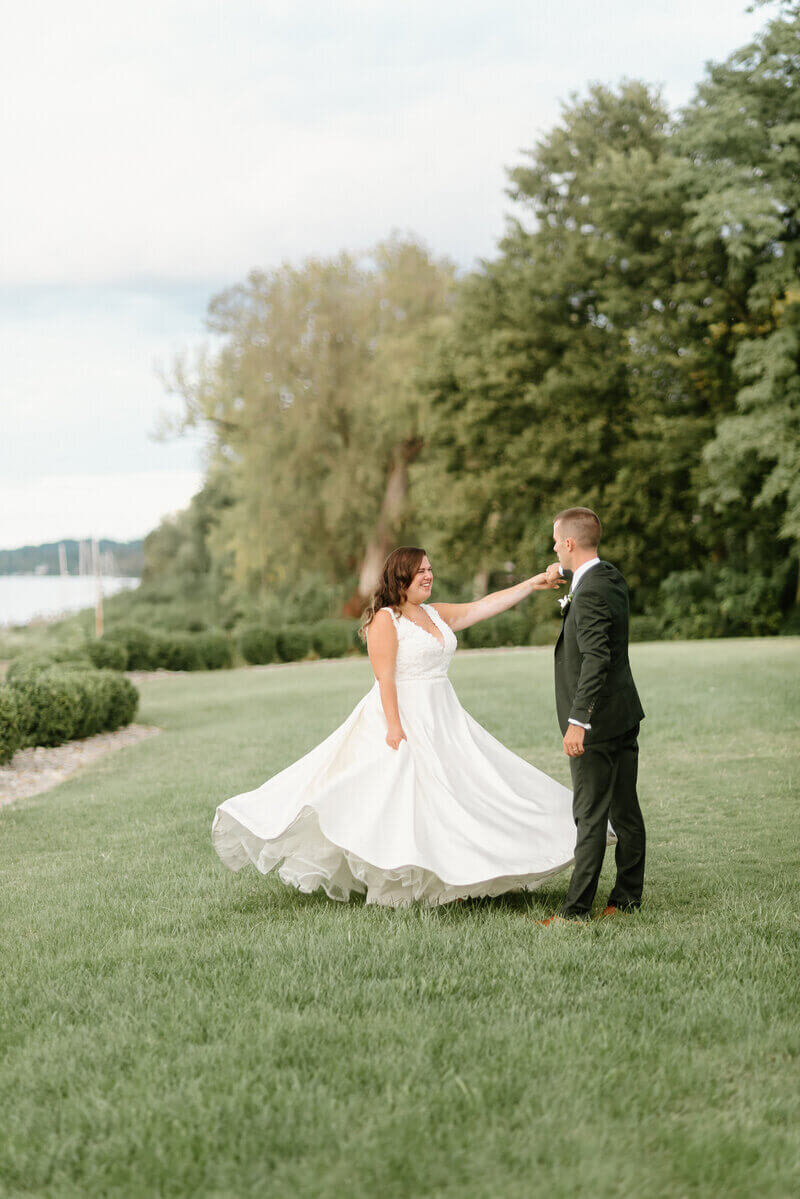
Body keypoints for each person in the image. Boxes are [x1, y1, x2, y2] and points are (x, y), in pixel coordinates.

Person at [211, 546, 597, 907]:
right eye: (420, 571)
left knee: (468, 790)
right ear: (401, 578)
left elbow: (483, 607)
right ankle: (421, 874)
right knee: (408, 798)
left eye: (430, 570)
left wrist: (532, 583)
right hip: (402, 716)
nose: (429, 576)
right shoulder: (385, 620)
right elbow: (385, 679)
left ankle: (464, 871)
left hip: (443, 714)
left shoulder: (434, 614)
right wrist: (394, 728)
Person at [538, 507, 646, 924]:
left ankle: (575, 911)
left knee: (589, 815)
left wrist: (578, 720)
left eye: (555, 540)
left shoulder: (590, 591)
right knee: (625, 810)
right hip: (623, 713)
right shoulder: (608, 576)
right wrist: (563, 576)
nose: (552, 546)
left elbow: (596, 657)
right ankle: (627, 899)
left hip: (596, 723)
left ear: (568, 543)